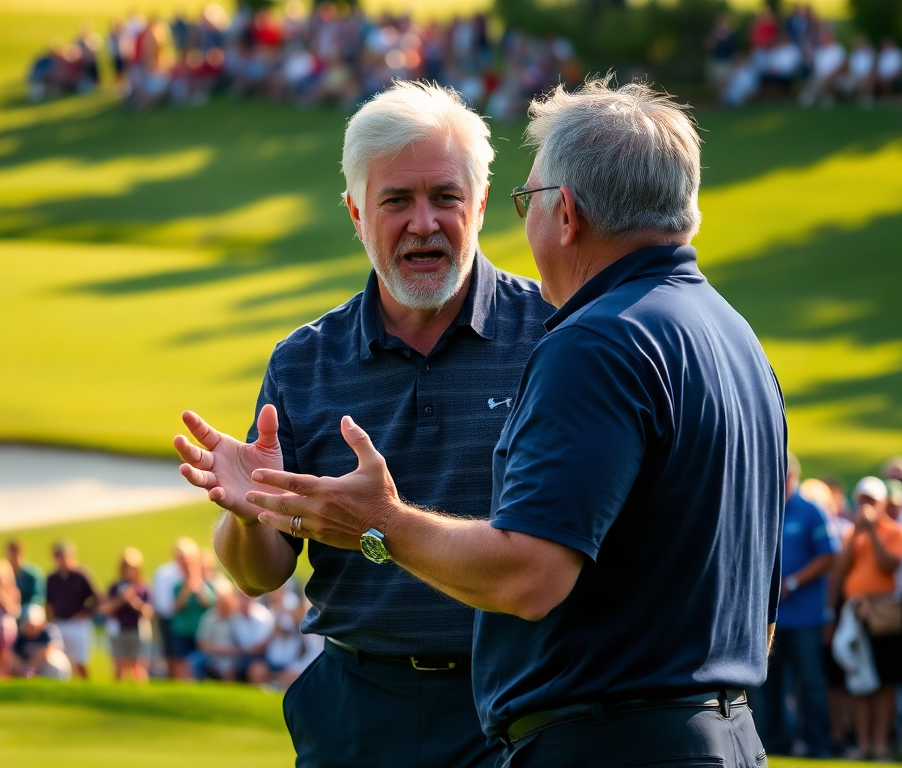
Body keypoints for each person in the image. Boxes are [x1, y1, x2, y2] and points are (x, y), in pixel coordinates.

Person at [242, 79, 786, 768]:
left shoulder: (592, 341)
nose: (425, 222)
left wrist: (379, 525)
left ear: (567, 215)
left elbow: (528, 579)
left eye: (524, 199)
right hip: (714, 731)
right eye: (397, 200)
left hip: (611, 741)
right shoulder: (733, 335)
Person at [175, 80, 550, 768]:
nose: (424, 223)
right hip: (357, 712)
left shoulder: (555, 338)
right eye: (396, 201)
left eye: (446, 197)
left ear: (482, 205)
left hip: (518, 709)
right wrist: (250, 516)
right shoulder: (304, 363)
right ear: (355, 212)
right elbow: (259, 576)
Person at [752, 453, 837, 758]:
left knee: (810, 683)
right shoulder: (765, 507)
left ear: (792, 477)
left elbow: (828, 555)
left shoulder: (812, 511)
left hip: (804, 616)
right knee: (769, 683)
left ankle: (818, 743)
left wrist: (793, 582)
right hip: (772, 617)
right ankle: (774, 742)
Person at [835, 477, 902, 760]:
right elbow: (841, 569)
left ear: (882, 504)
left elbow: (888, 564)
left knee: (884, 681)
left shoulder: (893, 530)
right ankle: (864, 742)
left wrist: (873, 532)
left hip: (883, 612)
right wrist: (857, 533)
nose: (866, 506)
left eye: (872, 501)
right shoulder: (852, 533)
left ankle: (880, 743)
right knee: (859, 680)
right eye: (862, 500)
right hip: (856, 611)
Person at [45, 540, 98, 679]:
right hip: (60, 623)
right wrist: (50, 621)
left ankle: (87, 687)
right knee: (62, 661)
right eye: (58, 557)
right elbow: (48, 602)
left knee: (80, 660)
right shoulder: (52, 579)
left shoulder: (81, 576)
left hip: (77, 623)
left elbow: (96, 598)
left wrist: (85, 613)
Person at [102, 546, 153, 682]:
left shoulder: (142, 587)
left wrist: (133, 600)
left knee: (137, 667)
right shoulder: (115, 586)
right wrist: (121, 599)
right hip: (118, 631)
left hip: (136, 631)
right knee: (119, 666)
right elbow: (105, 608)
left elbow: (147, 612)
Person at [151, 537, 196, 677]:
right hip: (170, 621)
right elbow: (164, 606)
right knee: (173, 657)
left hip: (191, 621)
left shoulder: (195, 571)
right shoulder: (165, 573)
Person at [169, 546, 215, 680]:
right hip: (181, 631)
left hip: (200, 632)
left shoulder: (206, 586)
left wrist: (198, 589)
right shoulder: (178, 586)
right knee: (181, 662)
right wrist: (187, 590)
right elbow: (176, 607)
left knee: (198, 662)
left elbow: (209, 604)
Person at [11, 604, 72, 681]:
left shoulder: (49, 631)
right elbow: (12, 654)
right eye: (27, 624)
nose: (30, 627)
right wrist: (22, 668)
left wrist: (30, 667)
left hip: (43, 666)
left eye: (32, 625)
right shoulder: (20, 634)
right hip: (26, 666)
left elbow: (49, 650)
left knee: (54, 662)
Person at [6, 539, 44, 611]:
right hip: (12, 607)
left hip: (29, 606)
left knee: (30, 613)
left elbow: (38, 597)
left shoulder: (32, 574)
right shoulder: (6, 574)